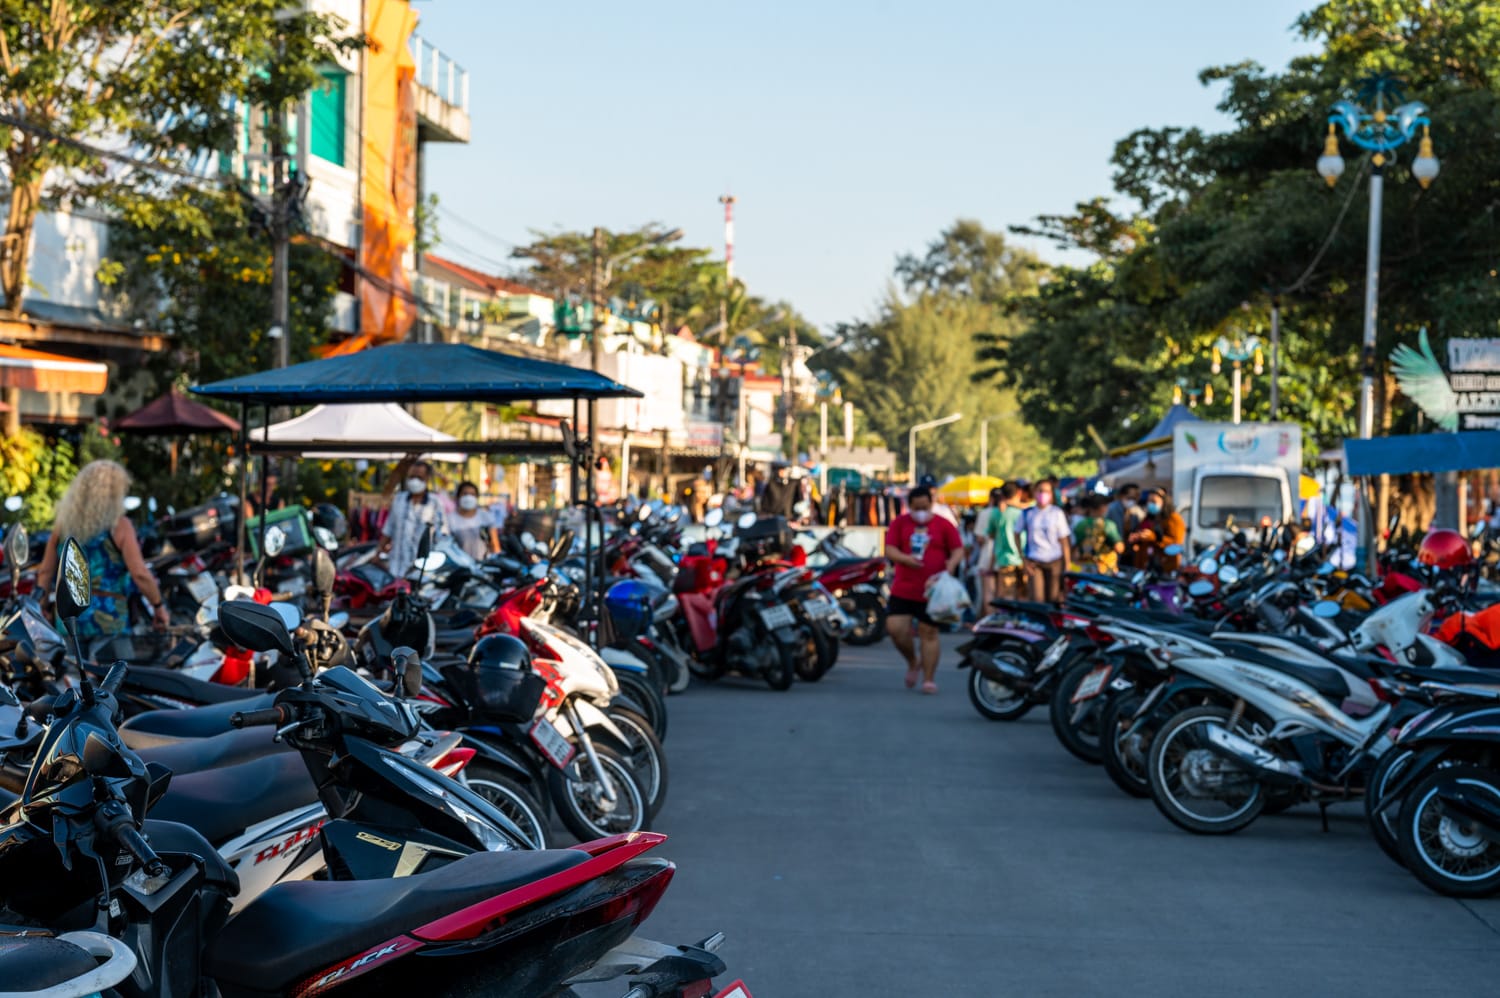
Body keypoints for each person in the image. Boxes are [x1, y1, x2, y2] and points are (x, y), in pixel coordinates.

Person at [37, 460, 170, 653]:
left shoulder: (62, 526)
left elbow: (46, 571)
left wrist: (41, 607)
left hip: (69, 619)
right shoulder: (120, 526)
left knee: (74, 678)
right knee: (115, 679)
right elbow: (140, 574)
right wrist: (158, 606)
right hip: (110, 619)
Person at [885, 486, 964, 695]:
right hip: (904, 588)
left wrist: (951, 563)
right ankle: (913, 661)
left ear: (931, 504)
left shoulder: (943, 524)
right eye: (916, 507)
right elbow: (890, 549)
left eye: (925, 506)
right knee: (896, 629)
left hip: (933, 590)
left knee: (929, 633)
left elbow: (958, 548)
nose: (921, 511)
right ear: (909, 506)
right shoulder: (899, 524)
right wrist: (905, 559)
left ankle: (929, 679)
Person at [379, 459, 449, 576]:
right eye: (411, 477)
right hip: (397, 567)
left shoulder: (434, 503)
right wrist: (378, 553)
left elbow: (442, 534)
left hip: (423, 571)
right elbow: (389, 529)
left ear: (427, 478)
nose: (415, 480)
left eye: (419, 477)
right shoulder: (399, 499)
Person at [1022, 479, 1072, 604]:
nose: (1043, 494)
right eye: (1040, 491)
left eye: (1046, 491)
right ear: (1034, 492)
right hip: (1035, 561)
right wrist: (1024, 559)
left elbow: (1064, 541)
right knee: (1038, 600)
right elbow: (1016, 534)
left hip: (1055, 561)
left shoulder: (1056, 513)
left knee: (1053, 599)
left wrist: (1067, 564)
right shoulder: (1028, 513)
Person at [986, 482, 1027, 601]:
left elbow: (990, 534)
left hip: (1005, 559)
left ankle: (1010, 619)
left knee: (1008, 595)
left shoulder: (996, 513)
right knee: (1023, 594)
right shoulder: (1023, 512)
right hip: (1024, 558)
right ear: (1018, 493)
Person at [1130, 487, 1186, 573]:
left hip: (1165, 566)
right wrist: (1137, 538)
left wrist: (1153, 537)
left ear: (1164, 502)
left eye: (1154, 501)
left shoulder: (1173, 518)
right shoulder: (1148, 518)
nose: (1150, 504)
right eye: (1148, 501)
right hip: (1146, 566)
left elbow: (1176, 544)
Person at [1072, 494, 1124, 574]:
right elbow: (1119, 548)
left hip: (1084, 569)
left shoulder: (1080, 524)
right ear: (1102, 507)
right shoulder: (1107, 525)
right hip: (1104, 570)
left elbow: (1074, 548)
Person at [450, 481, 498, 560]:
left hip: (483, 564)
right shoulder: (450, 519)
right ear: (458, 496)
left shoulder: (486, 517)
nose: (468, 497)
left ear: (477, 497)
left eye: (472, 494)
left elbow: (495, 546)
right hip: (459, 565)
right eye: (465, 494)